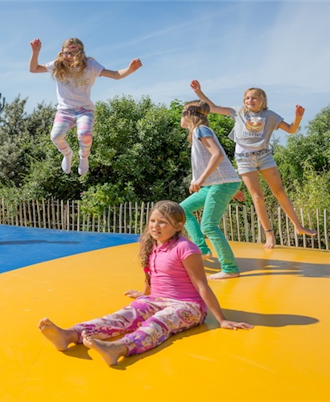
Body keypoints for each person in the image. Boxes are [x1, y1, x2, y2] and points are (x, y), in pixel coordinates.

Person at [38, 200, 253, 366]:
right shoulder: (151, 245)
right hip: (156, 299)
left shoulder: (186, 248)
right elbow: (151, 273)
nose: (155, 226)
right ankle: (69, 335)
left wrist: (222, 319)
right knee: (123, 316)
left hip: (187, 306)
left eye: (162, 222)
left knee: (159, 322)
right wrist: (144, 294)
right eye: (153, 221)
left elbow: (201, 285)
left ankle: (119, 348)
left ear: (178, 226)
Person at [190, 80, 316, 249]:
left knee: (279, 191)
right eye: (247, 98)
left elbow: (291, 129)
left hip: (264, 156)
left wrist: (298, 117)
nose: (249, 100)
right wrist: (199, 92)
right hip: (244, 158)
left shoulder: (270, 115)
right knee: (257, 197)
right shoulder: (238, 112)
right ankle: (269, 234)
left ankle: (298, 227)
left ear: (262, 101)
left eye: (254, 98)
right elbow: (212, 108)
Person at [29, 37, 142, 175]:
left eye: (72, 54)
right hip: (65, 111)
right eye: (66, 53)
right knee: (56, 136)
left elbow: (115, 75)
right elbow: (33, 69)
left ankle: (84, 156)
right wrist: (35, 52)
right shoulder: (58, 65)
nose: (68, 57)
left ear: (80, 53)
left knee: (84, 134)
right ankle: (67, 154)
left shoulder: (90, 65)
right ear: (62, 53)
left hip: (84, 110)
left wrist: (130, 69)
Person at [179, 100, 243, 280]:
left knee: (208, 225)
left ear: (189, 114)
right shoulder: (197, 133)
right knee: (182, 210)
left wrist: (200, 179)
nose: (180, 117)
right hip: (218, 184)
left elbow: (217, 154)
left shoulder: (201, 130)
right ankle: (201, 249)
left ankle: (230, 268)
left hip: (219, 185)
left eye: (182, 113)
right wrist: (231, 185)